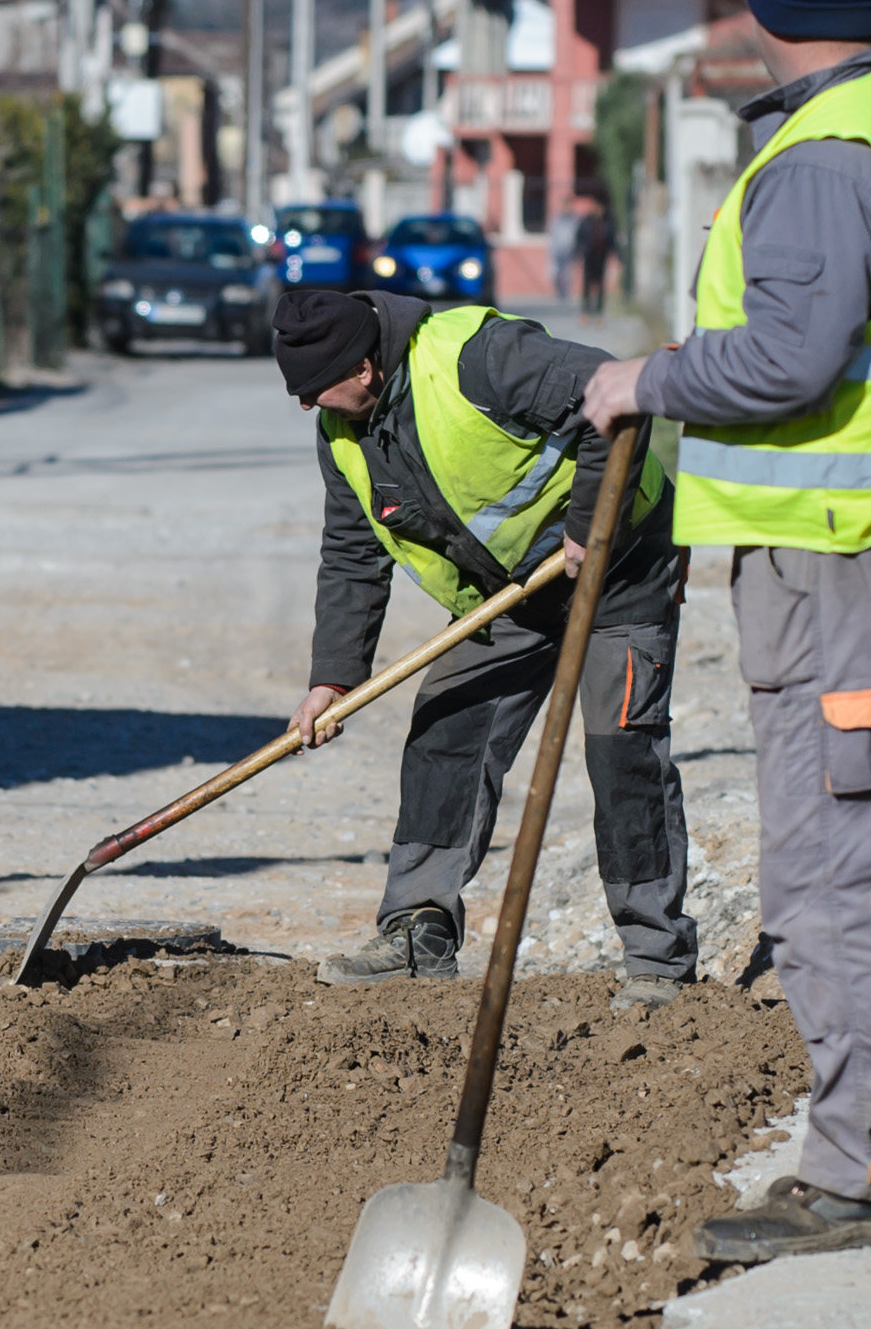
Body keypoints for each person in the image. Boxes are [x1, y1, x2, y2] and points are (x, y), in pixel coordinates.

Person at [575, 0, 871, 1260]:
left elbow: (785, 359)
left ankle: (861, 1176)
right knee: (858, 858)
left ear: (766, 9)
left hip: (846, 558)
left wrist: (638, 377)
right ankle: (858, 1155)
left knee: (840, 873)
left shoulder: (830, 155)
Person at [282, 285, 694, 996]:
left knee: (621, 747)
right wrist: (334, 678)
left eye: (318, 390)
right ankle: (418, 931)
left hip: (619, 563)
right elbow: (352, 553)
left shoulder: (476, 357)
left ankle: (657, 963)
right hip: (510, 596)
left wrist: (587, 528)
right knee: (448, 724)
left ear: (364, 368)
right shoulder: (342, 432)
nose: (310, 407)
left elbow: (614, 399)